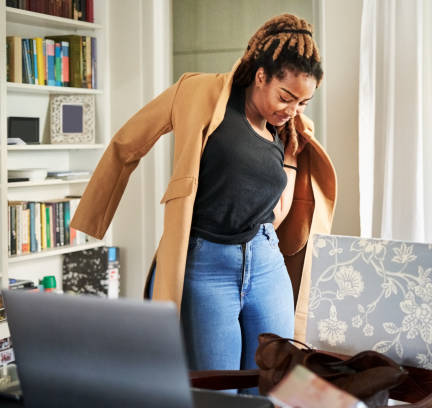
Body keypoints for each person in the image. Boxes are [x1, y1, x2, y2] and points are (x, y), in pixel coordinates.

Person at [70, 13, 337, 376]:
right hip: (208, 263)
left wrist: (289, 160)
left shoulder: (290, 129)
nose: (292, 110)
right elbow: (127, 142)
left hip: (265, 260)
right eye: (286, 96)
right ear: (261, 76)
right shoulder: (198, 93)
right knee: (218, 389)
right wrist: (91, 218)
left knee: (273, 384)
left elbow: (280, 207)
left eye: (303, 102)